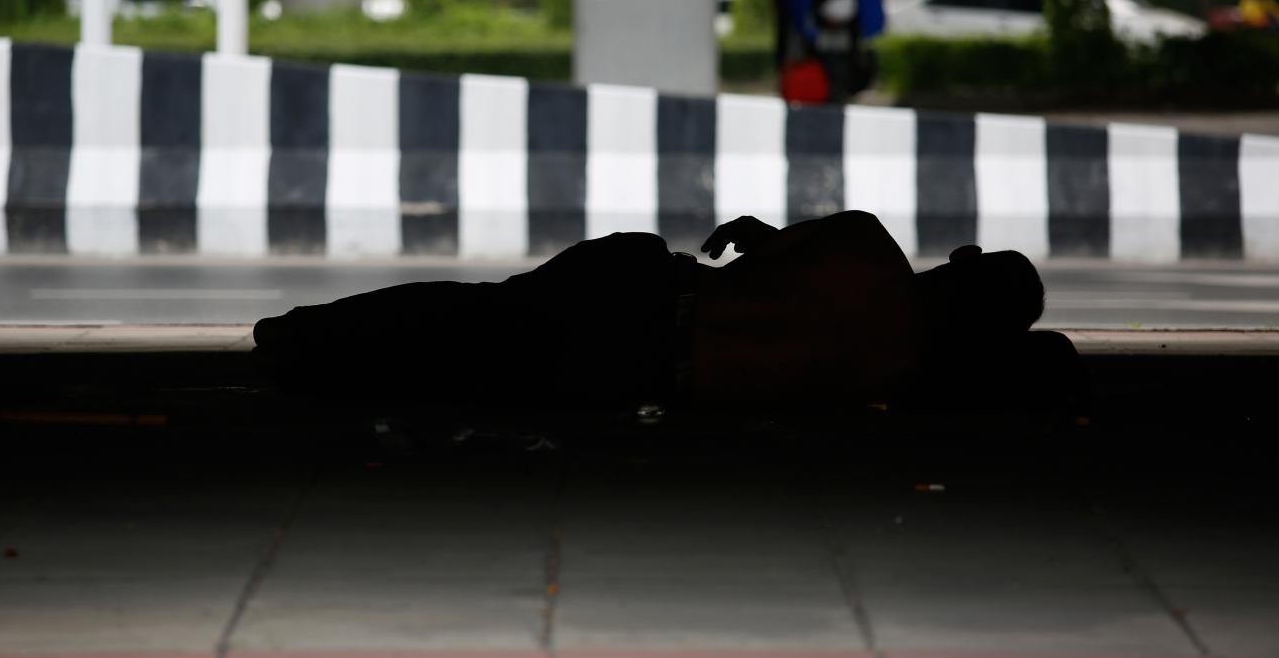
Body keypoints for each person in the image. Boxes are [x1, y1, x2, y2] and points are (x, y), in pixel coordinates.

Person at [252, 211, 1059, 415]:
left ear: (961, 263)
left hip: (642, 288)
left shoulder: (865, 243)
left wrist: (755, 239)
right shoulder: (904, 377)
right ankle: (316, 360)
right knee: (471, 358)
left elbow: (752, 244)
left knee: (471, 315)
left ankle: (302, 336)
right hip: (640, 373)